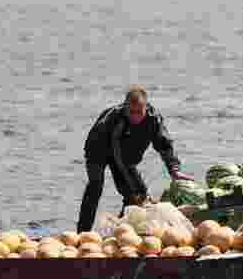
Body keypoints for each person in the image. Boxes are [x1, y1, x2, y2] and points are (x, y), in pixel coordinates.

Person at [77, 85, 192, 233]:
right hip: (98, 150)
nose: (135, 116)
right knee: (96, 186)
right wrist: (134, 190)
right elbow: (117, 159)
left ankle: (120, 231)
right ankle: (82, 233)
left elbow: (164, 145)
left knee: (138, 196)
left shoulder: (153, 119)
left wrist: (174, 169)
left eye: (139, 112)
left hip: (125, 155)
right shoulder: (116, 120)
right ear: (125, 107)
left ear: (146, 108)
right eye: (131, 112)